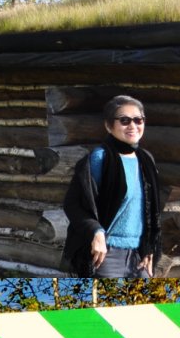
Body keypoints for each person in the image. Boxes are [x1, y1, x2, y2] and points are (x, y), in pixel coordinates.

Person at [61, 95, 162, 278]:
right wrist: (96, 232)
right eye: (124, 120)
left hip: (139, 255)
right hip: (107, 255)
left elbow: (149, 211)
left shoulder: (146, 160)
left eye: (138, 120)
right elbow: (72, 204)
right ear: (108, 126)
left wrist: (149, 245)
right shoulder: (100, 159)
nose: (133, 126)